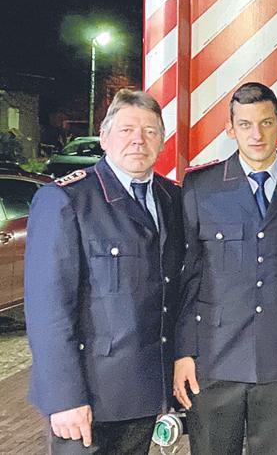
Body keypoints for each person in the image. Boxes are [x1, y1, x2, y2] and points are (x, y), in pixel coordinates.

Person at [172, 82, 277, 455]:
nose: (256, 134)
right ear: (230, 129)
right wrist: (183, 353)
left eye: (265, 122)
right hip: (214, 356)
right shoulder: (200, 186)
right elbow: (187, 276)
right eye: (245, 124)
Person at [25, 90, 184, 454]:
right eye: (127, 130)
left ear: (161, 141)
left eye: (150, 131)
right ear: (104, 137)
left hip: (143, 393)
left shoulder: (171, 198)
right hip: (87, 400)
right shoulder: (67, 199)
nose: (138, 140)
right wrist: (64, 397)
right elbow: (48, 310)